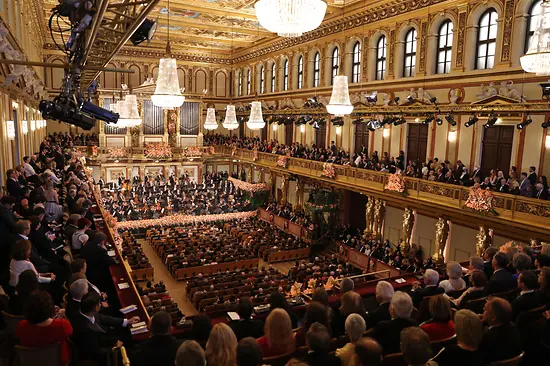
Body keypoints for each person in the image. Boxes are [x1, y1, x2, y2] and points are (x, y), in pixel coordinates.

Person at [71, 292, 139, 363]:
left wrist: (126, 321)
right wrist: (114, 348)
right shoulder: (87, 331)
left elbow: (103, 318)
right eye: (99, 303)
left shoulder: (84, 312)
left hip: (106, 338)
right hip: (102, 353)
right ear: (95, 307)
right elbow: (96, 351)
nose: (101, 304)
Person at [16, 290, 73, 365]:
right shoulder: (62, 325)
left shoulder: (21, 326)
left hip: (31, 361)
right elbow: (70, 332)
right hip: (57, 361)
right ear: (50, 308)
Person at [478, 297, 523, 363]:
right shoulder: (514, 328)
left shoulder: (487, 337)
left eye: (485, 309)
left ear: (494, 318)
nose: (483, 310)